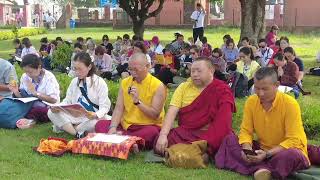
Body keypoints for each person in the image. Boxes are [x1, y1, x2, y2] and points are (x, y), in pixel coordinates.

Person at [215, 67, 309, 180]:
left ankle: (258, 168)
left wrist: (267, 154)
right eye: (257, 88)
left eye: (265, 89)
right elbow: (246, 131)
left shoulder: (290, 104)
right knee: (229, 140)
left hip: (283, 151)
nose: (260, 93)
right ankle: (264, 170)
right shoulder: (251, 101)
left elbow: (293, 139)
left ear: (277, 85)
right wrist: (247, 149)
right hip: (261, 150)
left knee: (292, 156)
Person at [154, 57, 235, 157]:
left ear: (211, 71)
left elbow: (224, 121)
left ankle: (193, 151)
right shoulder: (183, 87)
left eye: (199, 71)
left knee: (228, 141)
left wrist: (212, 139)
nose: (195, 74)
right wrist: (163, 135)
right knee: (161, 139)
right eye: (193, 71)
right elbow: (171, 112)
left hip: (211, 133)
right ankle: (200, 151)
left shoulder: (222, 90)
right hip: (188, 133)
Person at [95, 53, 166, 150]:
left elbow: (155, 115)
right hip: (126, 126)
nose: (132, 72)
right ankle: (130, 142)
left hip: (146, 125)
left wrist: (138, 102)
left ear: (148, 66)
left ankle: (119, 140)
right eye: (130, 69)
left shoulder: (158, 86)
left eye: (136, 69)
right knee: (101, 124)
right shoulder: (125, 82)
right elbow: (119, 108)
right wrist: (113, 127)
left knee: (152, 133)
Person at [48, 52, 111, 137]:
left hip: (91, 118)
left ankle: (68, 127)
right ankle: (76, 133)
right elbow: (67, 101)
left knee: (98, 122)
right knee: (51, 112)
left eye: (80, 69)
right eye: (75, 69)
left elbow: (105, 107)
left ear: (89, 67)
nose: (77, 72)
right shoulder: (74, 82)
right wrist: (58, 107)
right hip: (75, 116)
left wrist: (95, 114)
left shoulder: (99, 82)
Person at [9, 54, 60, 123]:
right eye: (25, 71)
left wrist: (36, 93)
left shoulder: (49, 77)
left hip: (47, 106)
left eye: (30, 72)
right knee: (14, 104)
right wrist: (16, 92)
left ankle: (23, 117)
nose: (27, 74)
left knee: (39, 110)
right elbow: (23, 98)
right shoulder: (25, 77)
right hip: (29, 104)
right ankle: (25, 116)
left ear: (39, 67)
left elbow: (53, 100)